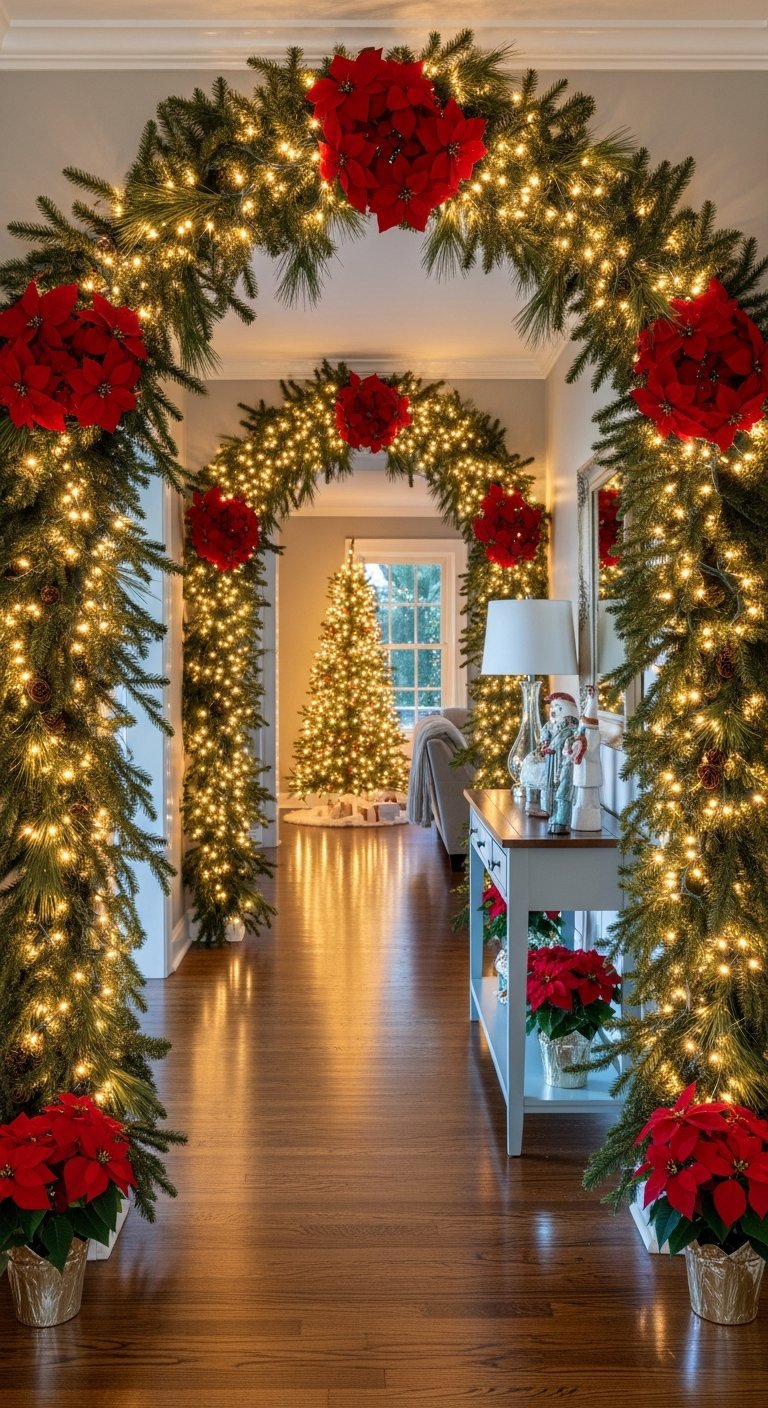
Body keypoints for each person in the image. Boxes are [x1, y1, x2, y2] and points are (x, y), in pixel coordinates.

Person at [567, 685, 603, 831]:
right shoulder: (583, 734)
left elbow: (589, 749)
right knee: (581, 799)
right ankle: (581, 820)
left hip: (590, 775)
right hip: (582, 774)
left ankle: (588, 822)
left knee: (589, 800)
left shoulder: (592, 735)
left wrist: (579, 745)